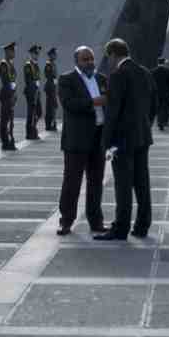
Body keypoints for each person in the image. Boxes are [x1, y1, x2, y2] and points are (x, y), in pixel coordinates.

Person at [96, 37, 154, 241]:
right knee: (142, 183)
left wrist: (106, 142)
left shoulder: (118, 75)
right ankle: (142, 225)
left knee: (123, 185)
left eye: (108, 56)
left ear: (113, 54)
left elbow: (113, 111)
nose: (108, 61)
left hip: (123, 139)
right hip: (142, 136)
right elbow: (152, 103)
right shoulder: (144, 72)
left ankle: (120, 228)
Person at [57, 45, 107, 236]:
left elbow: (109, 103)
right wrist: (94, 102)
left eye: (92, 58)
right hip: (77, 140)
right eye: (85, 59)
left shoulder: (101, 79)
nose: (90, 62)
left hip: (98, 137)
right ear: (76, 61)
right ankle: (66, 221)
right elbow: (69, 104)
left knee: (96, 182)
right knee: (72, 182)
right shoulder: (67, 80)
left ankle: (96, 221)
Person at [0, 41, 18, 152]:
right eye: (12, 51)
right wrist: (11, 93)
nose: (14, 53)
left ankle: (10, 139)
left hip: (11, 94)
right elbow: (6, 81)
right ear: (7, 52)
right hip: (6, 94)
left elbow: (13, 80)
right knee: (5, 119)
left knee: (10, 119)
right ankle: (5, 141)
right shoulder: (4, 64)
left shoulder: (10, 63)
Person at [25, 45, 46, 140]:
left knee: (39, 112)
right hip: (31, 92)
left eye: (38, 53)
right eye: (35, 53)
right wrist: (33, 92)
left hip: (36, 91)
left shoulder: (35, 65)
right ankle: (30, 132)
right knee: (31, 113)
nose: (37, 55)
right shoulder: (28, 65)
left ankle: (33, 128)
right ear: (31, 54)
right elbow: (29, 81)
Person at [151, 56, 169, 133]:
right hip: (165, 94)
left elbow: (150, 83)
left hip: (156, 93)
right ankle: (161, 123)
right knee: (163, 108)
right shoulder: (168, 71)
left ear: (158, 63)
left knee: (158, 108)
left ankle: (159, 122)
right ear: (163, 63)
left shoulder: (153, 71)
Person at [44, 47, 60, 133]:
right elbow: (49, 77)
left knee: (53, 106)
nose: (56, 56)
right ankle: (49, 124)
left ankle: (52, 123)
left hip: (53, 87)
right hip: (50, 88)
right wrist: (53, 87)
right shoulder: (49, 65)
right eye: (54, 54)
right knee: (50, 107)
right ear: (51, 55)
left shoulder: (53, 64)